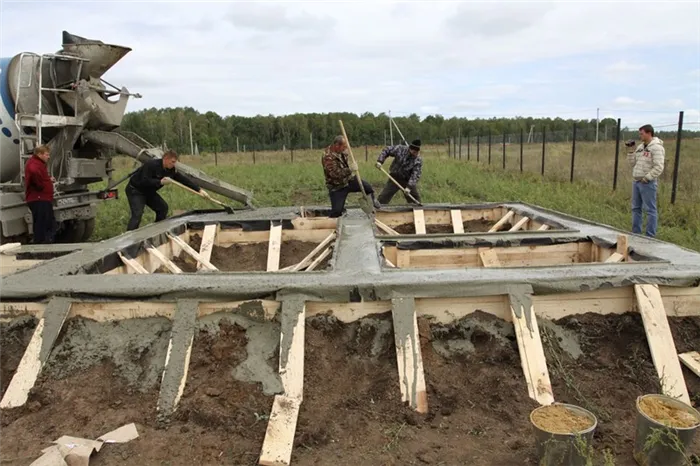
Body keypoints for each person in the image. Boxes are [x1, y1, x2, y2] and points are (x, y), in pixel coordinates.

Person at [125, 150, 206, 230]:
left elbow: (184, 180)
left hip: (149, 192)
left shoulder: (171, 170)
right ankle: (129, 238)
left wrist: (199, 190)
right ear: (166, 159)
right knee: (137, 215)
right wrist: (160, 182)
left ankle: (157, 230)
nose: (174, 164)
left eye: (175, 162)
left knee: (163, 208)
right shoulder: (151, 165)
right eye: (172, 162)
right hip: (136, 190)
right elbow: (144, 180)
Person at [321, 135, 380, 217]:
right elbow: (334, 174)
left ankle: (373, 201)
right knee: (337, 212)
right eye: (343, 147)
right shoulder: (327, 156)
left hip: (348, 180)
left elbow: (345, 162)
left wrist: (351, 165)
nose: (345, 149)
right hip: (337, 187)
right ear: (337, 145)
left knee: (368, 187)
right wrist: (350, 169)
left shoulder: (342, 152)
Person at [625, 124, 665, 238]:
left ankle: (650, 235)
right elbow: (633, 164)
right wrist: (631, 151)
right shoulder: (641, 147)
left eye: (641, 133)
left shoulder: (656, 147)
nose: (640, 136)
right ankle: (636, 233)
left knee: (650, 209)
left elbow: (659, 167)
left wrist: (647, 178)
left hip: (647, 182)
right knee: (636, 208)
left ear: (649, 133)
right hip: (636, 181)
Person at [375, 139, 423, 205]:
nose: (415, 154)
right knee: (383, 197)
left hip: (407, 181)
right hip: (394, 177)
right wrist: (380, 161)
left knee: (415, 200)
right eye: (414, 152)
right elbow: (387, 150)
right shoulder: (400, 149)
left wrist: (409, 187)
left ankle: (418, 212)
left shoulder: (418, 160)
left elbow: (415, 175)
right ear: (410, 149)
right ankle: (377, 211)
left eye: (417, 152)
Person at [24, 145, 56, 243]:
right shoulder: (34, 164)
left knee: (48, 222)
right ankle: (41, 245)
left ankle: (47, 242)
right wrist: (41, 185)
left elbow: (39, 175)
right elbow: (34, 173)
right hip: (39, 198)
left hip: (43, 198)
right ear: (39, 154)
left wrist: (47, 179)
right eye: (46, 154)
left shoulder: (39, 164)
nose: (48, 157)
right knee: (42, 224)